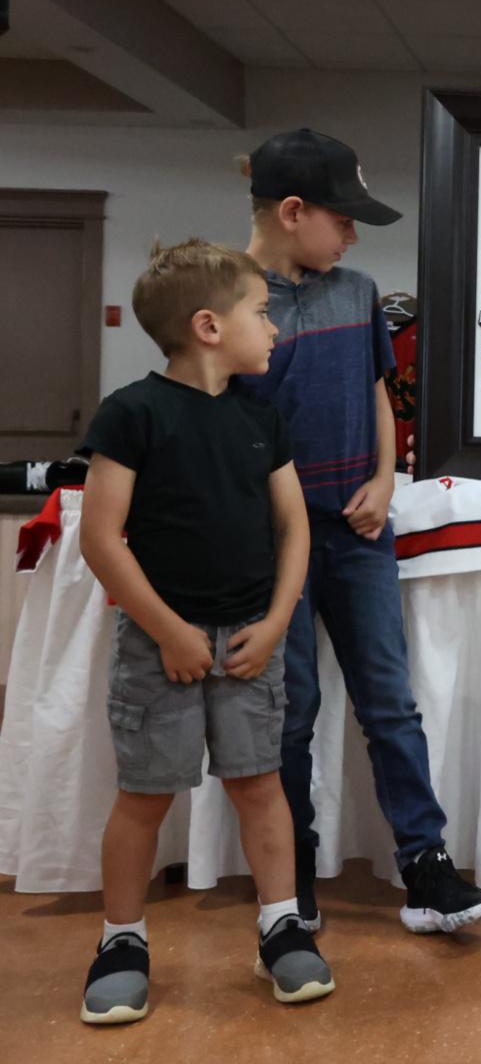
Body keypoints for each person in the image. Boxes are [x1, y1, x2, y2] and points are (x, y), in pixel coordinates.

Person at [237, 128, 481, 936]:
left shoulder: (356, 291)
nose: (353, 233)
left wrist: (386, 479)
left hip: (358, 533)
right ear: (291, 212)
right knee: (290, 711)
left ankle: (426, 868)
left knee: (390, 702)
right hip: (269, 542)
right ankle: (294, 876)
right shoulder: (224, 302)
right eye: (342, 217)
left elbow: (380, 394)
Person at [77, 240, 333, 1023]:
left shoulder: (262, 417)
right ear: (208, 326)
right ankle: (121, 940)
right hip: (162, 646)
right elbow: (101, 539)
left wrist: (281, 618)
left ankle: (281, 925)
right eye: (261, 313)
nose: (274, 329)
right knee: (146, 796)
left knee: (261, 786)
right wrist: (169, 631)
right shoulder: (132, 413)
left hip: (253, 638)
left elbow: (294, 529)